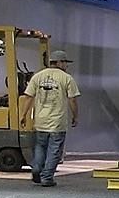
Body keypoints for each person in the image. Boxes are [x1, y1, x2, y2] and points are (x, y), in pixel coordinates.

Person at [19, 50, 80, 187]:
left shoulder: (37, 76)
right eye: (65, 63)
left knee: (40, 147)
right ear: (59, 62)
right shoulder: (67, 78)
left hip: (41, 121)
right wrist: (75, 116)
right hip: (57, 123)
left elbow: (28, 97)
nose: (66, 66)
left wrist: (23, 115)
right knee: (54, 150)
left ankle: (36, 169)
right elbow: (72, 100)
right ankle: (47, 177)